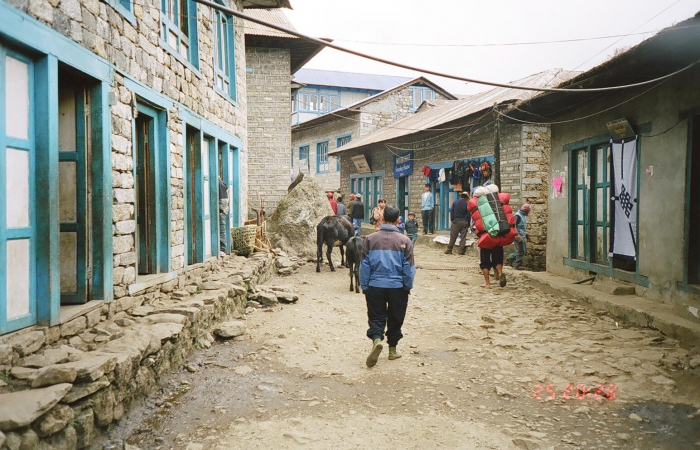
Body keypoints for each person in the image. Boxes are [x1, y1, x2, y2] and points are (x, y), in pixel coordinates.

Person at [360, 204, 416, 368]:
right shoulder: (405, 241)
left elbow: (364, 265)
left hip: (375, 285)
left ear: (382, 219)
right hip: (397, 286)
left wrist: (365, 285)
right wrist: (407, 286)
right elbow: (409, 268)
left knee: (376, 315)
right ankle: (392, 350)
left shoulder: (370, 239)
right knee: (395, 316)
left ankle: (377, 339)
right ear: (398, 220)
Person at [467, 184, 517, 289]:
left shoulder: (478, 205)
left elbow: (477, 224)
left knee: (485, 262)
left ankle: (487, 283)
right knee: (498, 258)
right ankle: (499, 273)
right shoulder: (498, 204)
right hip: (499, 235)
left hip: (486, 237)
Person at [508, 203, 531, 269]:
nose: (529, 213)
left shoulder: (523, 215)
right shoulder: (517, 215)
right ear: (526, 211)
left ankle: (510, 257)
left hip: (521, 236)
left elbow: (521, 227)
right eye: (528, 211)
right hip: (518, 236)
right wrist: (517, 235)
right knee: (521, 251)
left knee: (524, 251)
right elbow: (513, 226)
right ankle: (517, 265)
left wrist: (526, 234)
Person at [218, 176, 229, 257]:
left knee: (222, 229)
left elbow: (224, 200)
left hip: (222, 210)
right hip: (223, 209)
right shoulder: (221, 183)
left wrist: (221, 211)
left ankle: (222, 249)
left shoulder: (220, 184)